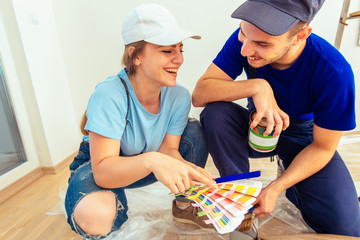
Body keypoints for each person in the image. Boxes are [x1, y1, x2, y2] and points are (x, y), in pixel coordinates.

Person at [192, 0, 360, 238]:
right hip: (256, 128)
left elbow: (323, 148)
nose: (246, 50)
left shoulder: (334, 71)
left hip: (305, 140)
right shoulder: (248, 38)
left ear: (301, 35)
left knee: (346, 230)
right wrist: (257, 87)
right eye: (243, 33)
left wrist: (276, 188)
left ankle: (291, 175)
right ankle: (240, 199)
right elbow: (200, 94)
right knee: (215, 112)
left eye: (262, 44)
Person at [64, 4, 217, 239]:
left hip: (147, 162)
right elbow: (104, 172)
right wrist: (152, 160)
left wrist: (192, 172)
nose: (178, 59)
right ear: (136, 56)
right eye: (167, 51)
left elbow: (169, 151)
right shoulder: (109, 94)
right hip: (103, 167)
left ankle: (185, 206)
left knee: (194, 129)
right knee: (96, 216)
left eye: (180, 50)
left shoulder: (178, 95)